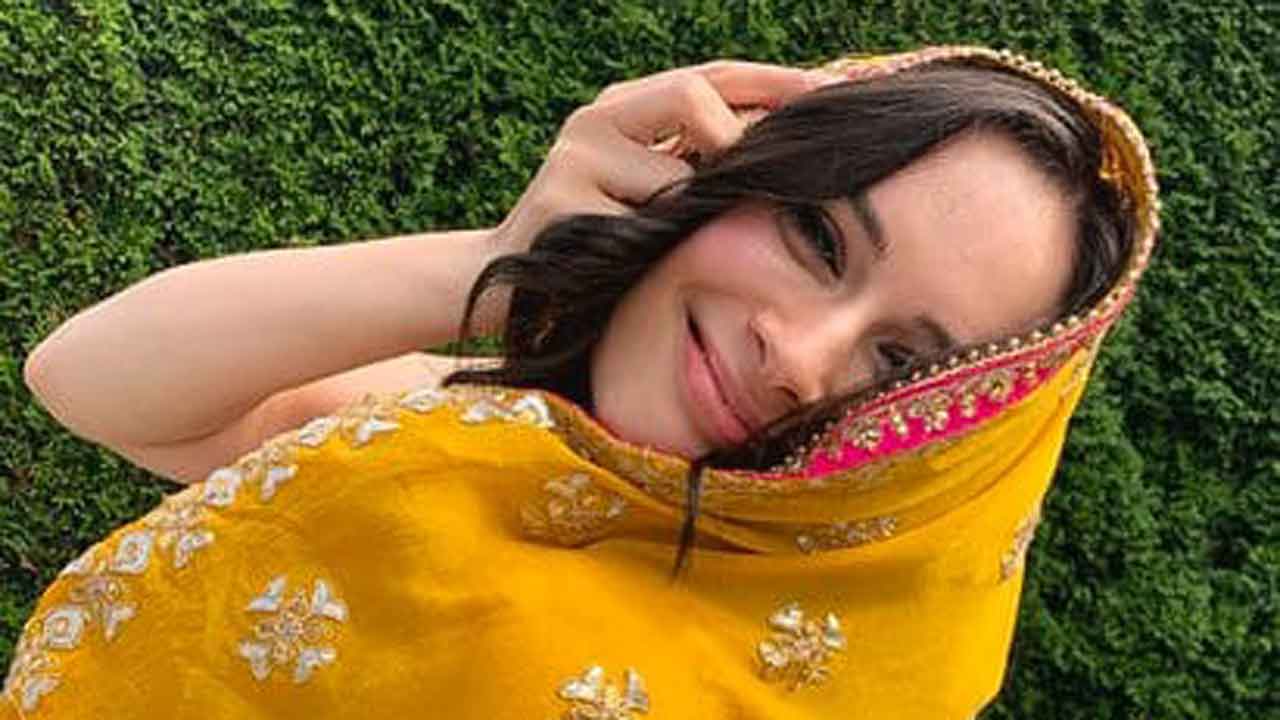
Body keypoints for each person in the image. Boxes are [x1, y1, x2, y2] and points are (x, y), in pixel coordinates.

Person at [6, 45, 1158, 719]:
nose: (801, 357)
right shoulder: (475, 429)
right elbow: (89, 381)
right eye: (815, 237)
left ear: (953, 440)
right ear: (721, 169)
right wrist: (496, 266)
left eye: (903, 363)